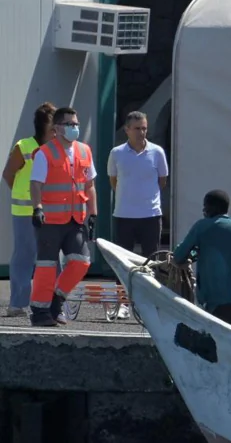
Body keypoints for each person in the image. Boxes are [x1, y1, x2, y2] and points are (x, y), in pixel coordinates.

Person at [28, 107, 96, 327]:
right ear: (56, 128)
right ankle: (40, 312)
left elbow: (90, 185)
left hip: (75, 219)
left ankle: (56, 300)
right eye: (69, 124)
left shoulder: (85, 151)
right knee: (46, 265)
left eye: (76, 124)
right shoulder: (45, 153)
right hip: (50, 220)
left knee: (82, 262)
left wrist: (93, 213)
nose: (74, 128)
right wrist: (37, 207)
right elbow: (36, 183)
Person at [107, 111, 169, 320]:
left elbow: (162, 181)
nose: (142, 132)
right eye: (137, 128)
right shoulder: (117, 153)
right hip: (124, 214)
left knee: (151, 261)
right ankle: (123, 302)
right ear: (127, 130)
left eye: (144, 128)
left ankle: (149, 303)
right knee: (122, 260)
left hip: (150, 215)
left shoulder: (157, 152)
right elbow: (113, 181)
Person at [172, 190, 231, 330]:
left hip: (217, 302)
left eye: (205, 207)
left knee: (214, 347)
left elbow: (179, 256)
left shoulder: (202, 226)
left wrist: (193, 253)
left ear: (210, 208)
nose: (203, 210)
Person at [3, 102, 54, 318]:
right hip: (25, 212)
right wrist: (25, 195)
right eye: (55, 122)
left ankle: (50, 303)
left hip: (51, 211)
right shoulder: (24, 146)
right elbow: (8, 174)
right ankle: (17, 304)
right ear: (45, 125)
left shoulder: (57, 148)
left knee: (51, 258)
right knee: (24, 257)